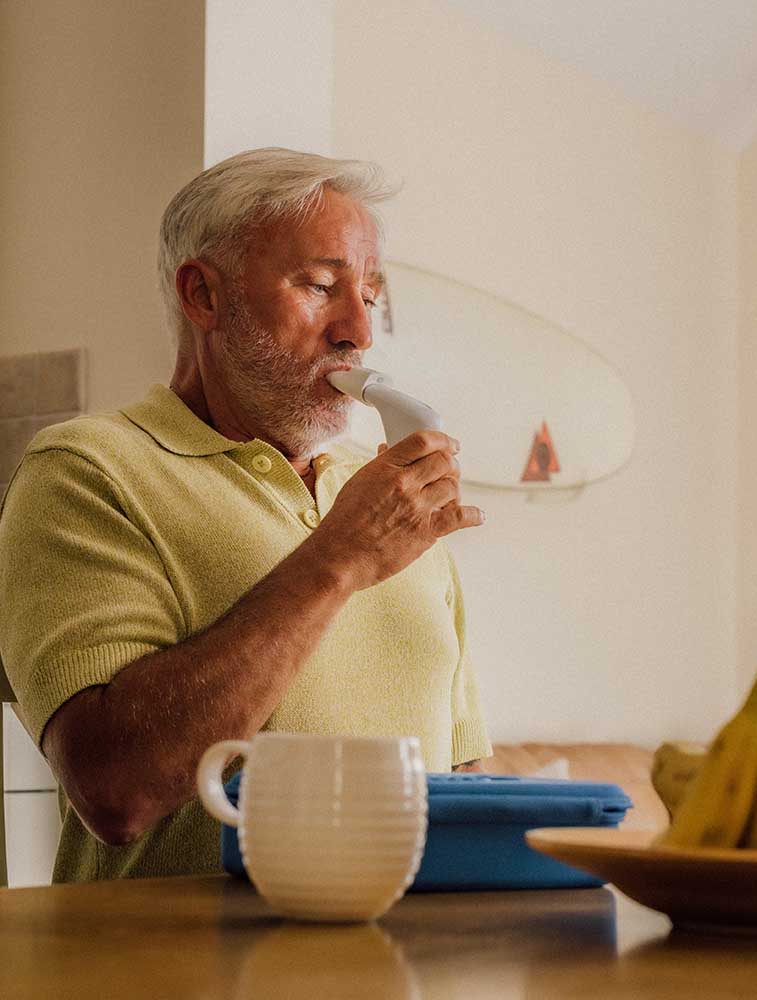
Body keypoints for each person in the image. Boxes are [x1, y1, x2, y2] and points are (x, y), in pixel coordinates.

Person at [0, 148, 491, 882]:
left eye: (371, 292)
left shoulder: (387, 506)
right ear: (204, 296)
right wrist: (338, 559)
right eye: (321, 286)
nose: (358, 328)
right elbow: (116, 790)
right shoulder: (86, 471)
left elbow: (465, 776)